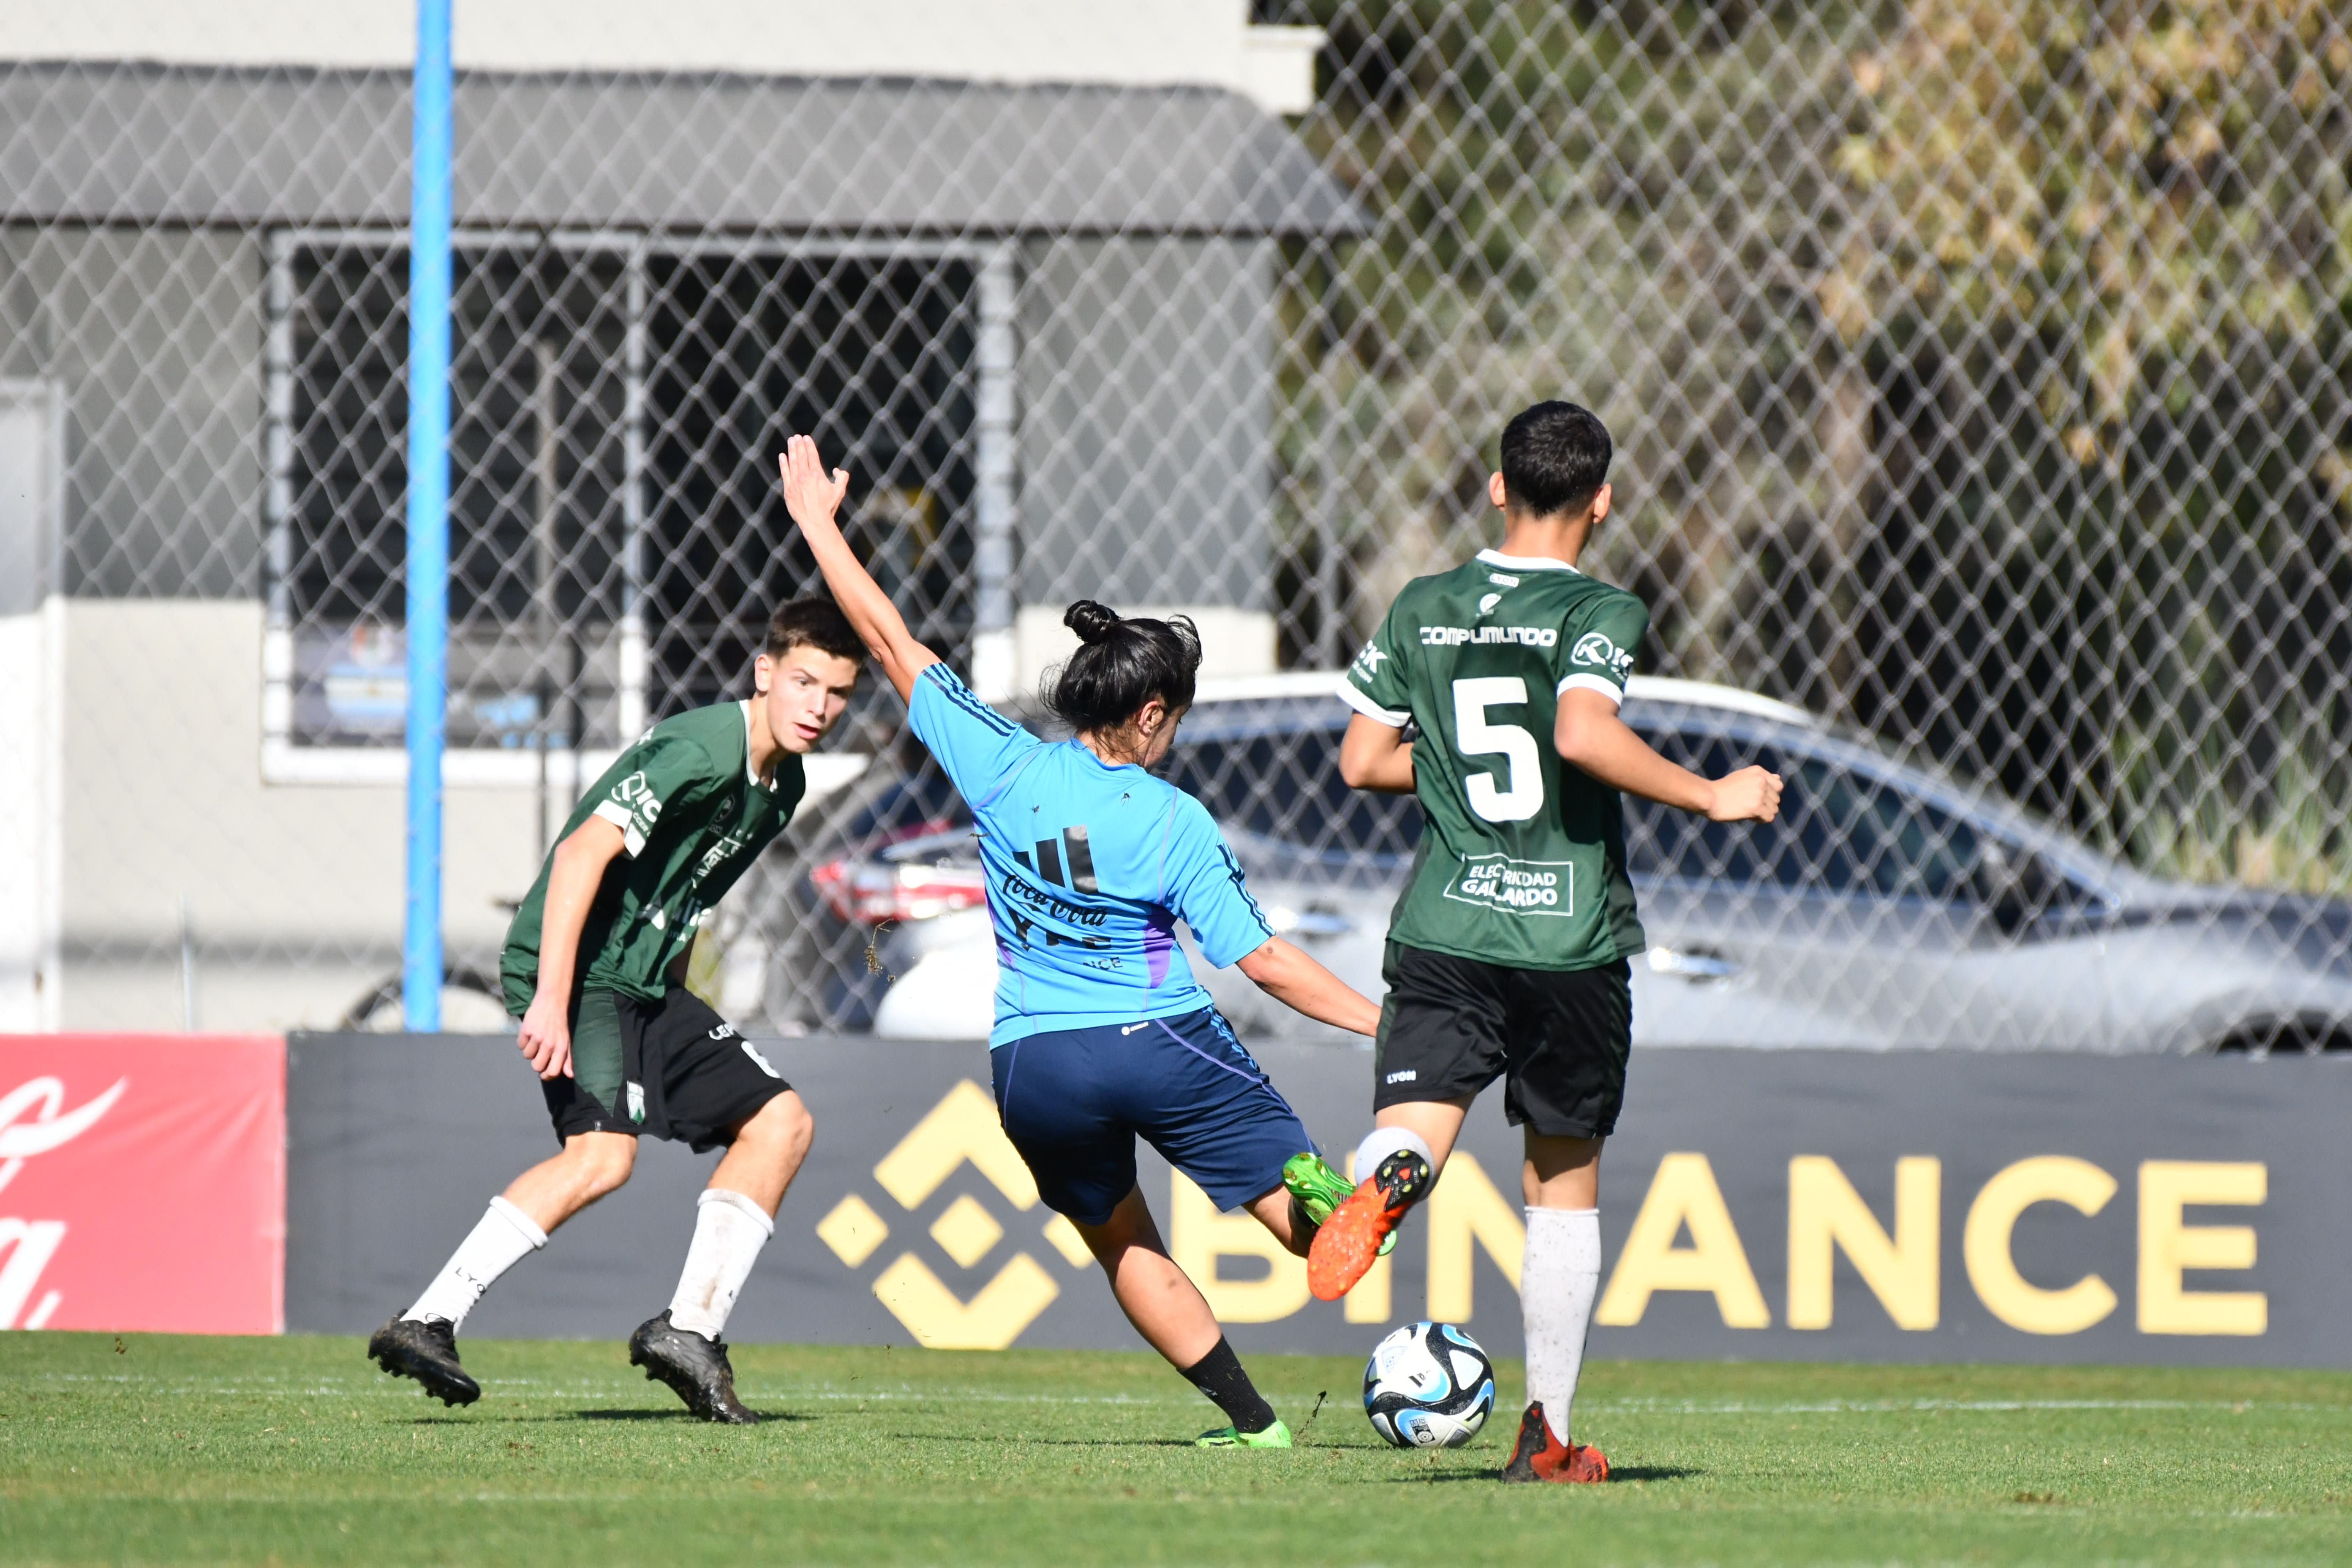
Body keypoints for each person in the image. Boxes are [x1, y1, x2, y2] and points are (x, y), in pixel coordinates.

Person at [778, 434, 1380, 1448]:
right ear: (1150, 714)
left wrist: (819, 528)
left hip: (1034, 1060)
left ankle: (1252, 1424)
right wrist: (1390, 1022)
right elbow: (1263, 962)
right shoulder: (1174, 818)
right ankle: (1333, 1207)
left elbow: (886, 639)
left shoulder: (1002, 761)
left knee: (1122, 1240)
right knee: (1292, 1211)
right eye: (1175, 719)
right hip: (1155, 1035)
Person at [1312, 400, 1783, 1483]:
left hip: (1444, 922)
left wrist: (1452, 779)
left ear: (1495, 486)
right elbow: (1580, 731)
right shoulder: (1598, 608)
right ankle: (1545, 1433)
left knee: (1413, 1130)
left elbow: (1360, 759)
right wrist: (1711, 794)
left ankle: (1382, 1183)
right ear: (1603, 500)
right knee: (1560, 1177)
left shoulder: (1423, 605)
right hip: (1566, 934)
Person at [366, 598, 866, 1423]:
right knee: (602, 1156)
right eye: (805, 680)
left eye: (840, 691)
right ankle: (428, 1317)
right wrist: (552, 999)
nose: (820, 705)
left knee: (781, 1122)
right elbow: (581, 852)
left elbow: (685, 889)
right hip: (585, 972)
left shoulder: (785, 786)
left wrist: (672, 999)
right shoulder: (703, 745)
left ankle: (690, 1330)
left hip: (647, 983)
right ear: (766, 672)